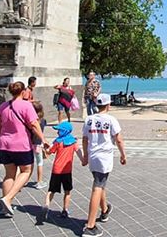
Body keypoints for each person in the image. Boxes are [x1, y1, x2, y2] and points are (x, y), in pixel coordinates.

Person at [0, 81, 44, 218]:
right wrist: (43, 139)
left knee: (9, 174)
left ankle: (6, 207)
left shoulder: (3, 106)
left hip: (4, 144)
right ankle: (8, 198)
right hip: (21, 144)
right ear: (22, 92)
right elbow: (33, 124)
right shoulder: (26, 106)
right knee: (26, 171)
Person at [81, 93, 127, 237]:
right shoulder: (111, 120)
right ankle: (90, 225)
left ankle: (105, 210)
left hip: (93, 156)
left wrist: (85, 156)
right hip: (104, 158)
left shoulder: (89, 119)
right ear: (108, 105)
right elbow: (118, 139)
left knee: (100, 183)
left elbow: (84, 139)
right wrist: (123, 154)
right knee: (97, 187)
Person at [39, 121, 85, 223]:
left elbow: (49, 152)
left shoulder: (57, 141)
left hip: (56, 170)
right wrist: (83, 161)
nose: (57, 132)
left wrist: (45, 149)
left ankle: (46, 205)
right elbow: (78, 152)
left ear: (64, 131)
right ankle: (65, 210)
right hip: (67, 170)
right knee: (67, 191)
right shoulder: (73, 141)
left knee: (51, 190)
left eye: (59, 130)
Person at [30, 100, 47, 189]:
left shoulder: (29, 120)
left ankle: (22, 181)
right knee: (39, 163)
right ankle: (39, 181)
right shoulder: (43, 120)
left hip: (29, 144)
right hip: (38, 144)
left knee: (27, 164)